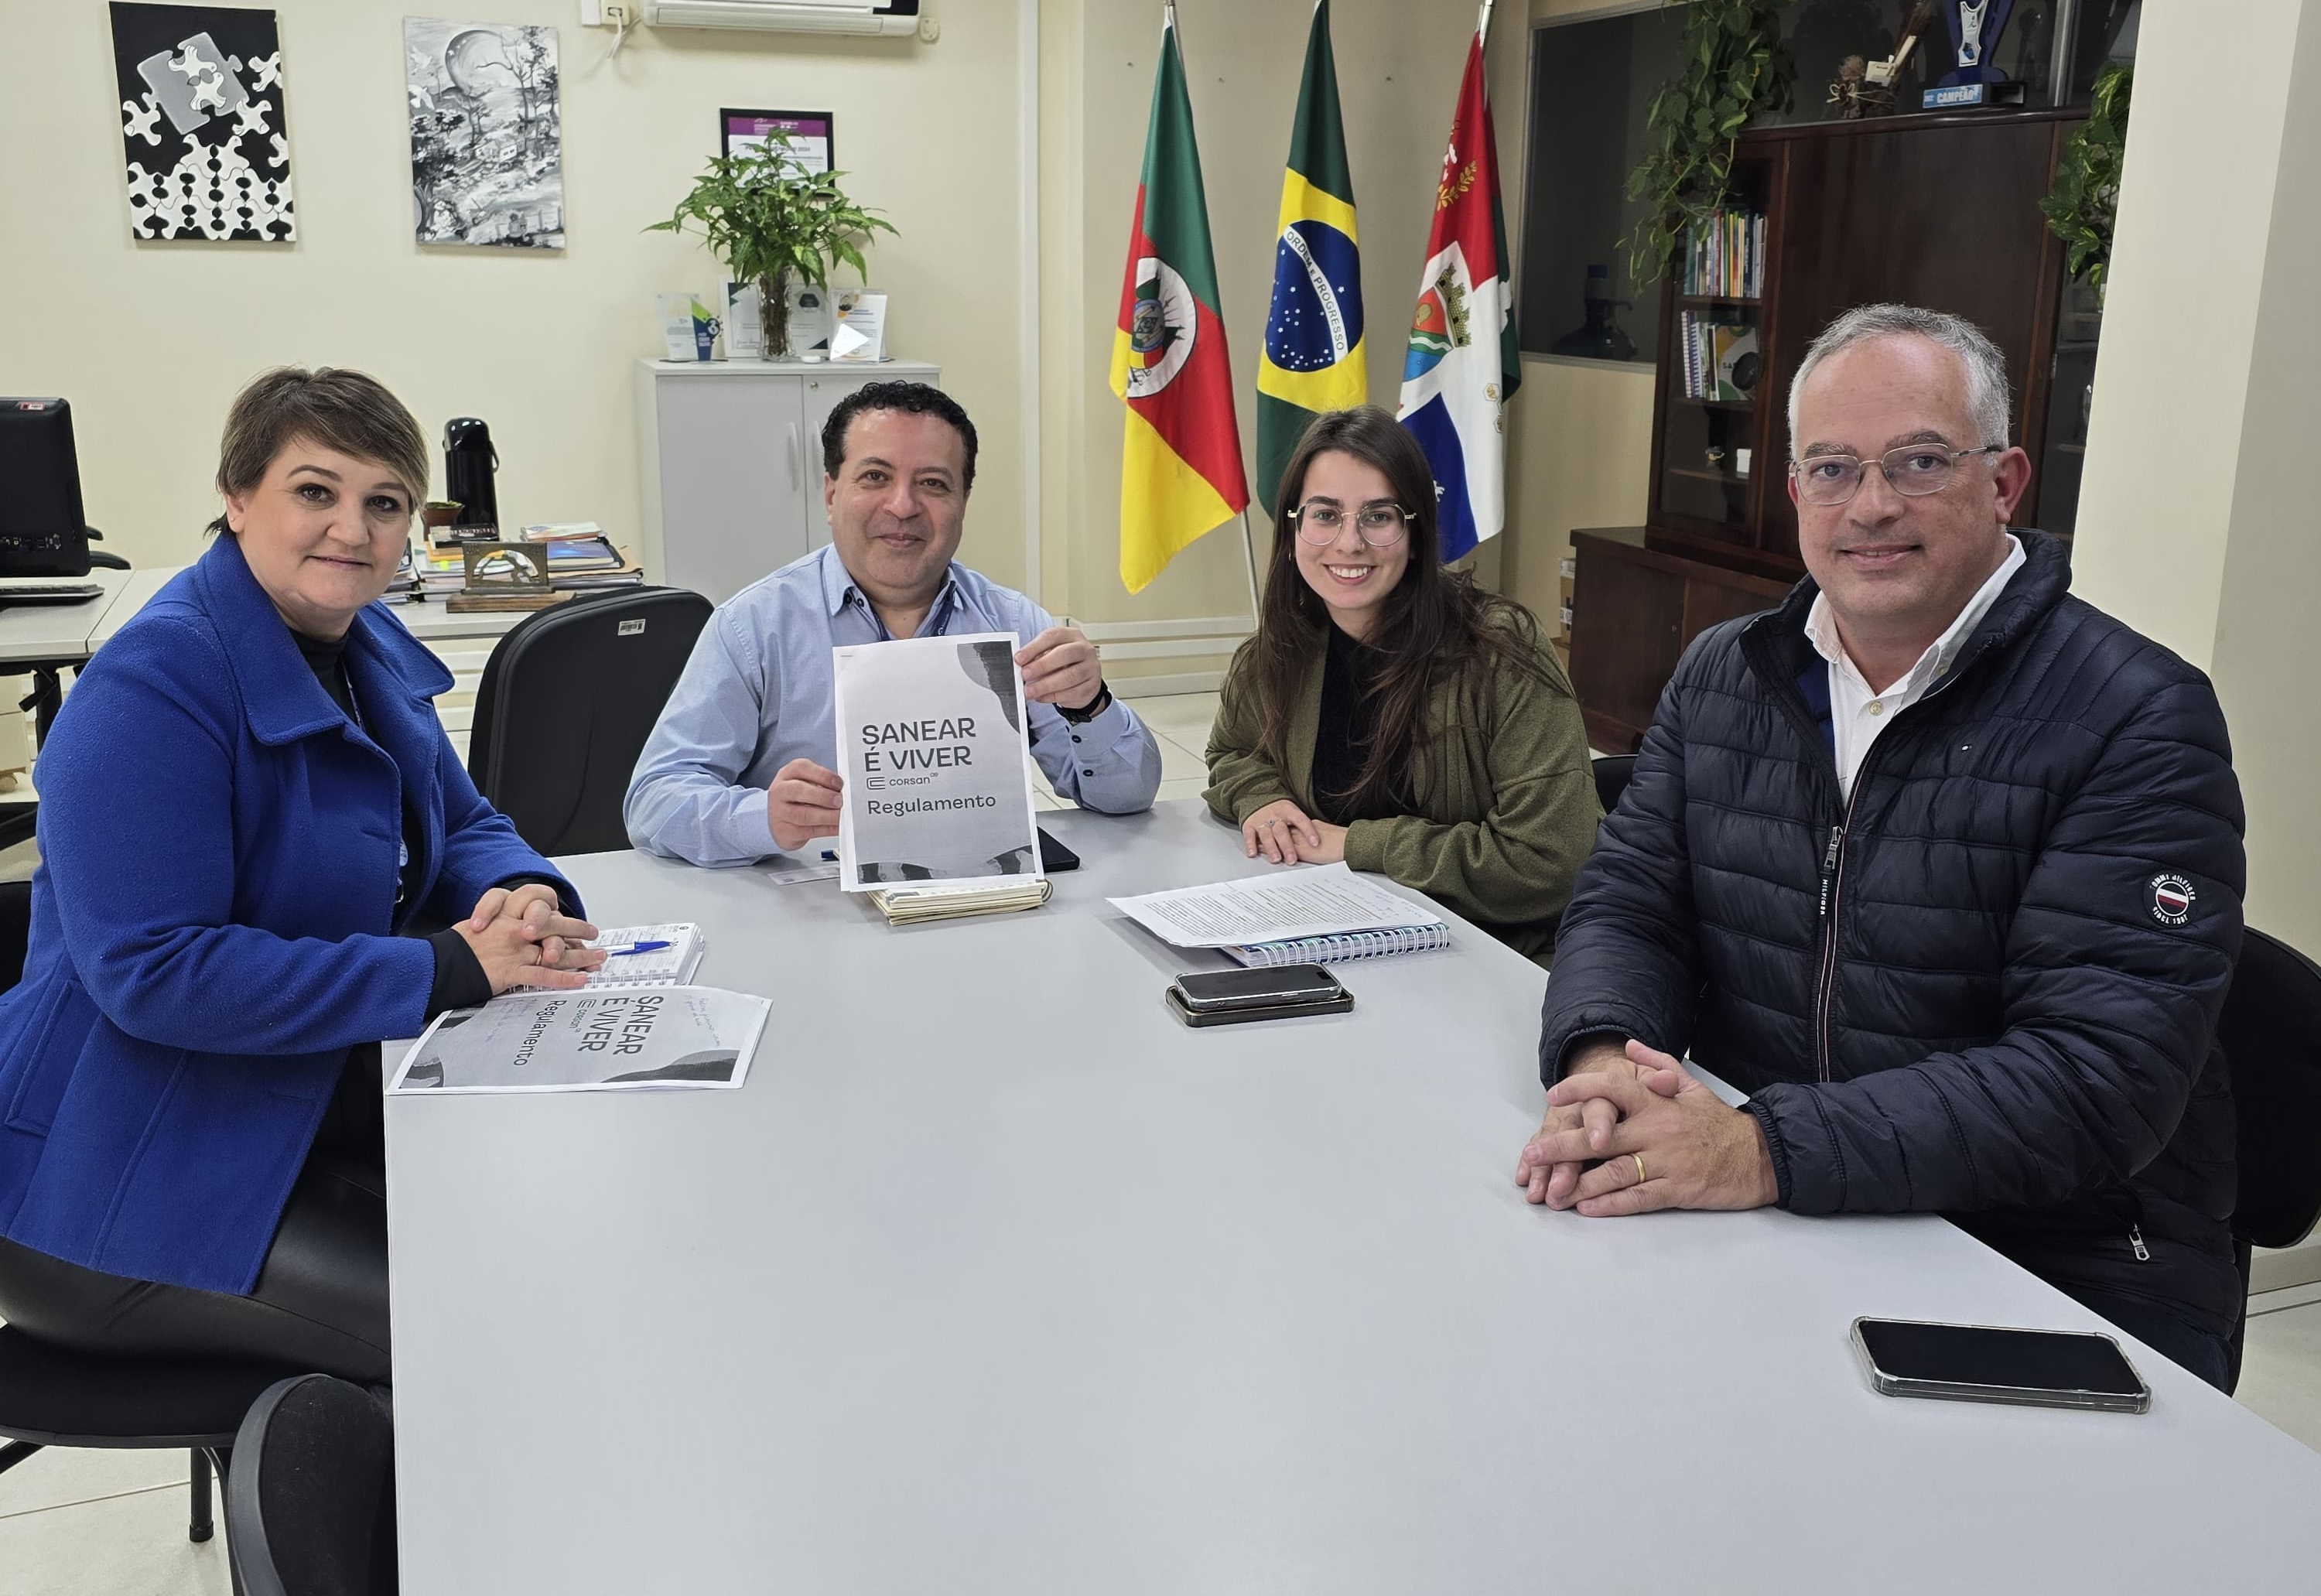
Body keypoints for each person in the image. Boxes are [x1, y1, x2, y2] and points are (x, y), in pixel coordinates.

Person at [1513, 305, 2247, 1387]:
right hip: (1776, 1208)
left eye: (1919, 461)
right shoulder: (1728, 670)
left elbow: (2098, 1079)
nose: (1871, 506)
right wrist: (1604, 1058)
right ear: (1795, 487)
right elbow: (1628, 904)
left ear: (2005, 482)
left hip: (2046, 1247)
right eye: (1831, 467)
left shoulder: (2138, 716)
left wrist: (1759, 1148)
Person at [0, 367, 606, 1384]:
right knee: (489, 1343)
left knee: (559, 1235)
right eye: (315, 492)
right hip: (113, 1182)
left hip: (287, 1102)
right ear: (238, 498)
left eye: (384, 502)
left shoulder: (358, 640)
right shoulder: (152, 689)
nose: (352, 529)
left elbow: (459, 820)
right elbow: (155, 970)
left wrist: (525, 888)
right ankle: (357, 1534)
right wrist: (448, 967)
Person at [626, 381, 1163, 865]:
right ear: (832, 493)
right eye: (876, 477)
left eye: (933, 483)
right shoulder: (753, 627)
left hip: (978, 901)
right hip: (814, 912)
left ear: (963, 503)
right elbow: (654, 801)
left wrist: (1091, 705)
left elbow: (1127, 797)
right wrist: (763, 818)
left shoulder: (1013, 623)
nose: (903, 506)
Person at [1203, 407, 1599, 965]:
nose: (1349, 542)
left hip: (1494, 956)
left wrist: (1357, 845)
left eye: (1378, 516)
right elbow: (1232, 751)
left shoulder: (1502, 652)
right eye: (1324, 514)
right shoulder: (1279, 650)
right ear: (1294, 531)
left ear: (1415, 533)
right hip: (1340, 934)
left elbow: (1551, 860)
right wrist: (1260, 798)